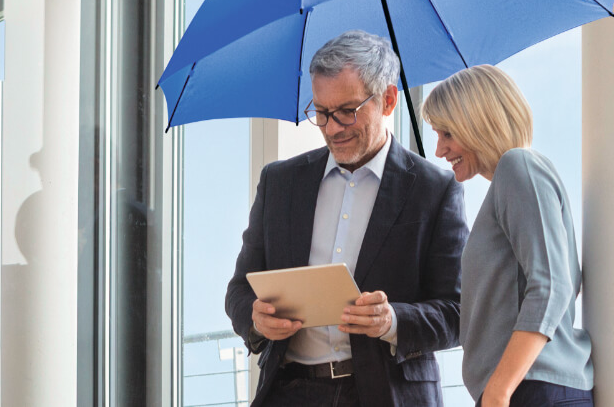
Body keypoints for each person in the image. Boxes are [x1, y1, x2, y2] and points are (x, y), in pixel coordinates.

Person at [225, 30, 468, 406]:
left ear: (388, 100)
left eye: (346, 112)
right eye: (321, 112)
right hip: (289, 391)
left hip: (387, 395)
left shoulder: (434, 191)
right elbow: (240, 290)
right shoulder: (279, 182)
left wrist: (393, 320)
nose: (332, 128)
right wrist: (255, 320)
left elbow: (458, 312)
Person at [422, 65, 593, 407]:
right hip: (521, 389)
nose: (439, 150)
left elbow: (552, 286)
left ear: (478, 123)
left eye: (447, 134)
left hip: (531, 389)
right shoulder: (506, 184)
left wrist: (499, 391)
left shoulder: (519, 167)